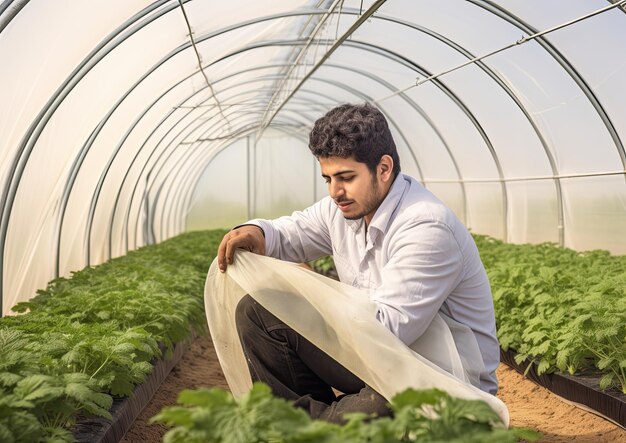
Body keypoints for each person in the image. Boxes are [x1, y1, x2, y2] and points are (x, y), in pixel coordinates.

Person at [217, 103, 499, 423]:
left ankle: (309, 426)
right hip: (380, 363)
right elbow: (288, 235)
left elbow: (385, 334)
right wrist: (258, 232)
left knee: (386, 404)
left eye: (346, 177)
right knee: (259, 312)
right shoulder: (343, 209)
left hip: (441, 379)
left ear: (383, 168)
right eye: (327, 179)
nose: (335, 191)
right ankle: (313, 424)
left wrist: (315, 298)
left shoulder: (426, 227)